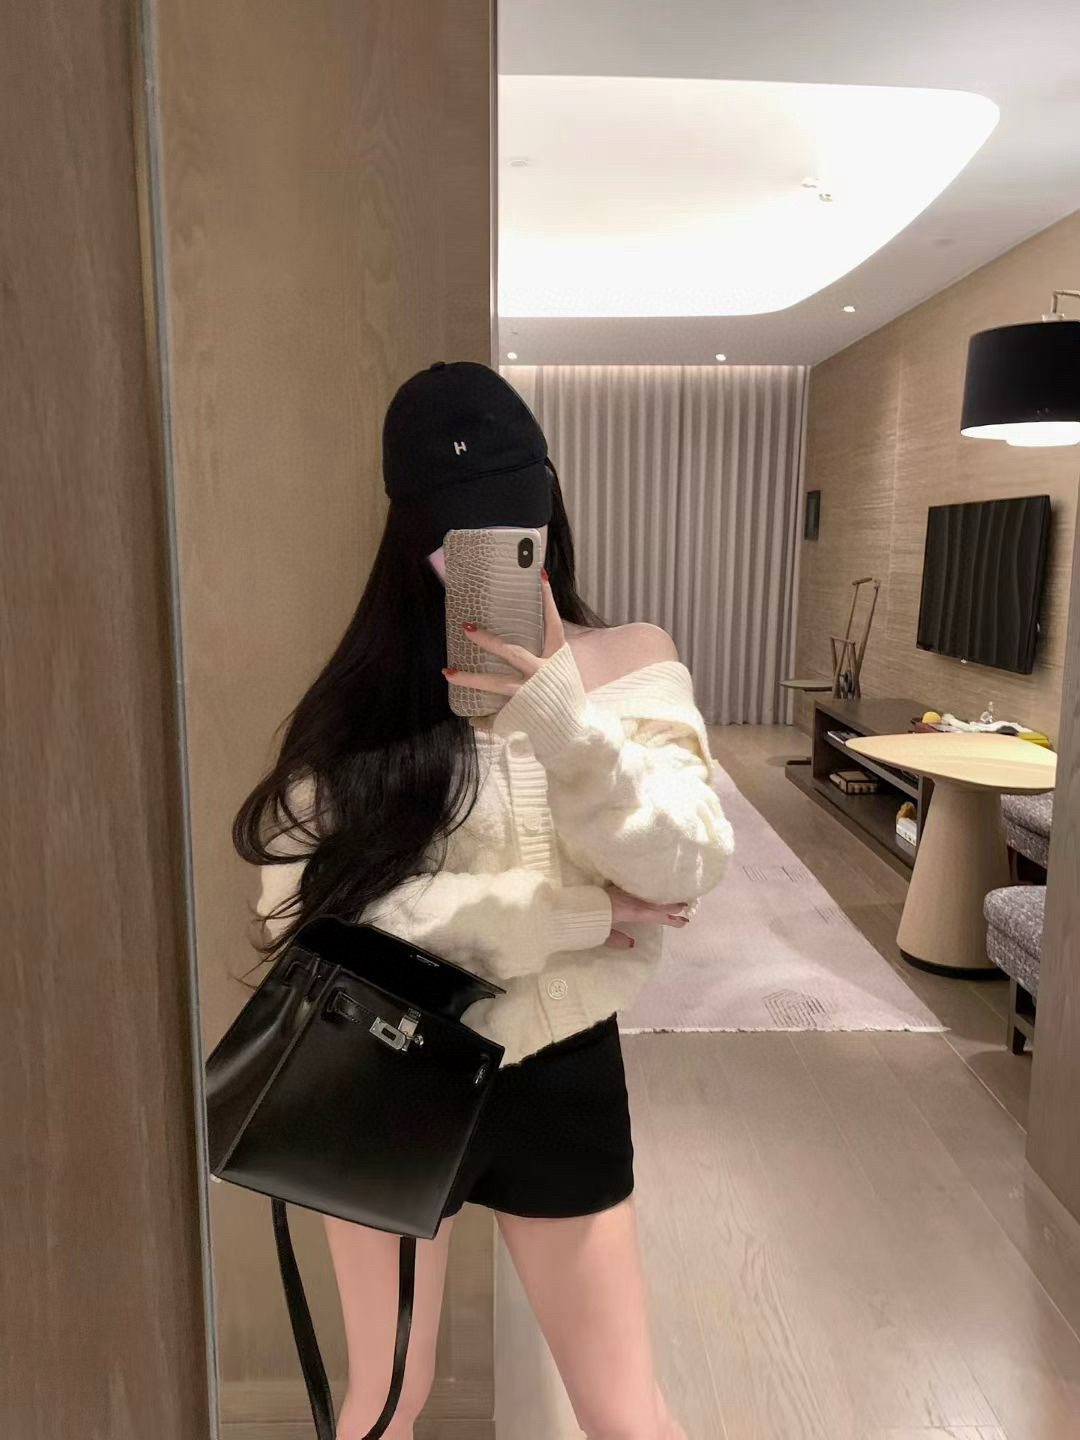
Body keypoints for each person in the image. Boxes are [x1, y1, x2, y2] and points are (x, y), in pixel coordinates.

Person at [233, 361, 735, 1440]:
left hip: (561, 1066)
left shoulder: (632, 661)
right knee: (387, 1400)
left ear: (547, 505)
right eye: (453, 533)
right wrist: (573, 919)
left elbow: (687, 863)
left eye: (509, 524)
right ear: (410, 539)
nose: (486, 553)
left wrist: (559, 711)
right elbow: (303, 928)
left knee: (625, 1413)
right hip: (385, 1064)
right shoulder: (368, 704)